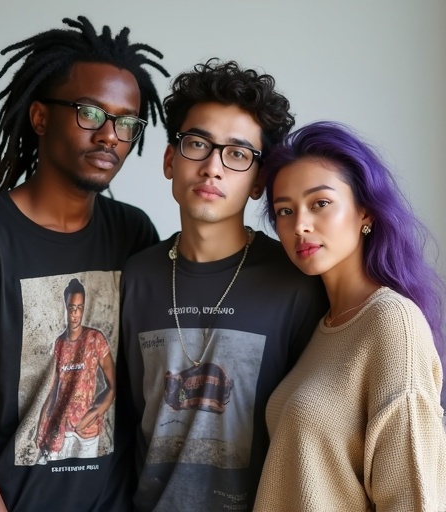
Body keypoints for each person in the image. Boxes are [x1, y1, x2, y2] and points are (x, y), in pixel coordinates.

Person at [0, 15, 169, 512]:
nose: (111, 135)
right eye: (91, 113)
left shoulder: (133, 234)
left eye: (127, 122)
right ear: (40, 117)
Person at [120, 59, 328, 512]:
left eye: (237, 154)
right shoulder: (135, 276)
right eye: (198, 144)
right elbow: (129, 421)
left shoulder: (295, 282)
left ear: (258, 182)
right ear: (170, 160)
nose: (213, 167)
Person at [253, 121, 446, 511]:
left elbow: (413, 499)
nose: (300, 226)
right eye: (284, 211)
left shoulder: (393, 323)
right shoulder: (322, 324)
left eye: (320, 203)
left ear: (365, 212)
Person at [36, 278, 115, 463]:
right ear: (66, 306)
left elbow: (113, 387)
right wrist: (42, 425)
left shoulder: (95, 339)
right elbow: (53, 389)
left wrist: (92, 415)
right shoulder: (59, 343)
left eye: (80, 308)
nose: (75, 314)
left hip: (86, 431)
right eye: (72, 307)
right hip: (60, 428)